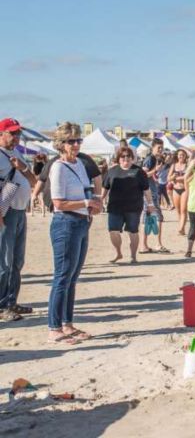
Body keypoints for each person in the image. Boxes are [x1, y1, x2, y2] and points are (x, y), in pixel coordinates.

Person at [47, 122, 102, 344]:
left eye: (78, 140)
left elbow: (87, 188)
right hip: (65, 223)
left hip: (81, 221)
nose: (76, 144)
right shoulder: (58, 167)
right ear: (61, 144)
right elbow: (58, 203)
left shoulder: (79, 163)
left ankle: (67, 323)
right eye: (71, 141)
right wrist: (86, 201)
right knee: (62, 276)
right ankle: (53, 327)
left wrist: (92, 203)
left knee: (72, 277)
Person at [0, 118, 37, 322]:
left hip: (20, 211)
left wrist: (23, 167)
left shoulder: (17, 153)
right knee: (4, 261)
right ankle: (2, 305)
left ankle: (11, 300)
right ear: (1, 134)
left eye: (18, 134)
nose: (16, 137)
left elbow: (33, 181)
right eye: (12, 133)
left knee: (17, 261)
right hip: (6, 213)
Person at [102, 147, 155, 264]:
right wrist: (100, 201)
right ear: (118, 158)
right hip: (115, 207)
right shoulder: (112, 171)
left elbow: (146, 189)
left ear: (132, 158)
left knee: (133, 231)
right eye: (123, 156)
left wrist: (151, 204)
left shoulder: (139, 172)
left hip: (134, 207)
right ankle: (118, 253)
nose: (126, 158)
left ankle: (133, 256)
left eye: (128, 156)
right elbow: (105, 188)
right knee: (113, 231)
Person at [140, 138, 169, 253]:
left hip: (150, 192)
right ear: (153, 147)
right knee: (158, 217)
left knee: (147, 218)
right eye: (158, 148)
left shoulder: (152, 158)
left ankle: (144, 245)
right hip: (149, 193)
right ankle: (157, 244)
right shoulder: (150, 159)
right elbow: (143, 174)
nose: (160, 150)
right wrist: (156, 170)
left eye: (161, 148)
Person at [168, 149, 189, 235]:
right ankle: (182, 228)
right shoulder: (174, 165)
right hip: (176, 189)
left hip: (185, 189)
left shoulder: (187, 165)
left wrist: (175, 178)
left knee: (184, 210)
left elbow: (187, 177)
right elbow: (168, 178)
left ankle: (181, 228)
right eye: (179, 155)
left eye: (183, 155)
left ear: (185, 156)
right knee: (178, 211)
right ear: (177, 156)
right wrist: (173, 177)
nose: (181, 156)